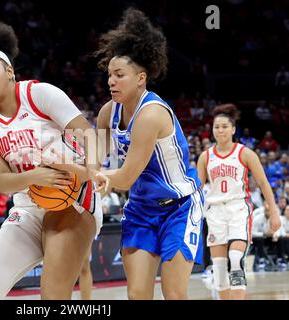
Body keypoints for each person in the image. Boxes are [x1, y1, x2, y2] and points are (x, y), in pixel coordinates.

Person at [0, 20, 103, 299]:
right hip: (27, 206)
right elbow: (3, 182)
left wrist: (90, 169)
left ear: (9, 71)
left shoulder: (39, 94)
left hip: (72, 199)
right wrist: (37, 176)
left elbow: (91, 137)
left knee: (52, 296)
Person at [93, 8, 204, 300]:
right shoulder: (108, 112)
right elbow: (92, 161)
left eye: (119, 75)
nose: (111, 82)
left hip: (178, 207)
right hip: (141, 209)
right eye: (109, 75)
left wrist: (89, 176)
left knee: (174, 295)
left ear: (141, 78)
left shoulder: (151, 114)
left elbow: (126, 177)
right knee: (137, 295)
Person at [197, 104, 281, 299]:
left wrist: (274, 213)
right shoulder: (205, 157)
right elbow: (197, 190)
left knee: (235, 259)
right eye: (216, 126)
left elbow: (263, 183)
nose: (220, 130)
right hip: (215, 212)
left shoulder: (244, 153)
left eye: (225, 126)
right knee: (218, 269)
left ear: (233, 129)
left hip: (238, 209)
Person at [252, 202, 286, 272]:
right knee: (259, 239)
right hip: (260, 239)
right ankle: (261, 259)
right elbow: (252, 233)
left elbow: (280, 230)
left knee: (281, 239)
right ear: (264, 210)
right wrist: (264, 234)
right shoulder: (257, 219)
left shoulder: (275, 218)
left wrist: (276, 235)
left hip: (270, 239)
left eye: (269, 211)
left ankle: (280, 259)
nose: (268, 212)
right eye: (266, 211)